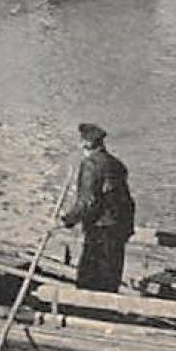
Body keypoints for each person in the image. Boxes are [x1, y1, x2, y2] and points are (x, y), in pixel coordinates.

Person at [59, 122, 136, 293]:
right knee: (110, 277)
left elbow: (87, 202)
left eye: (81, 141)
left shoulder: (90, 164)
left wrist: (65, 221)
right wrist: (127, 229)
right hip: (118, 229)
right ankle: (106, 311)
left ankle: (87, 312)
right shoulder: (117, 164)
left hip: (99, 230)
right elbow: (127, 201)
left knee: (90, 278)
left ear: (85, 143)